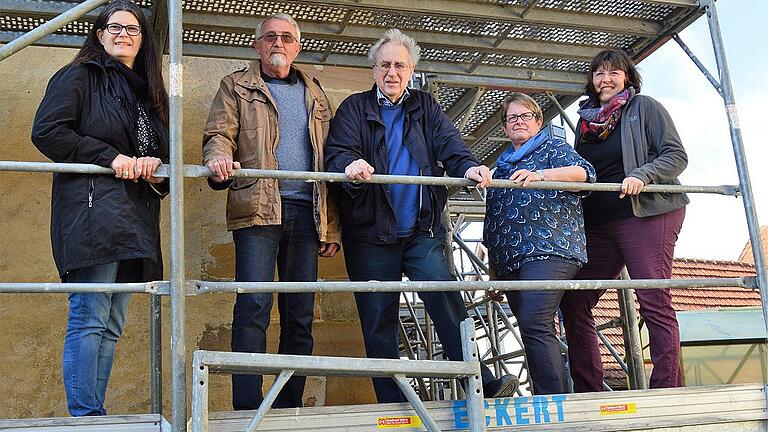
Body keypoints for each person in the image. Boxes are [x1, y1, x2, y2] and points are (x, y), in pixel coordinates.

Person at [324, 28, 517, 403]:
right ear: (374, 70)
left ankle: (481, 381)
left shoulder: (424, 106)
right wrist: (351, 163)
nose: (391, 72)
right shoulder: (353, 108)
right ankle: (392, 402)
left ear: (411, 69)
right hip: (369, 232)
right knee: (378, 320)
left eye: (399, 65)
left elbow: (450, 143)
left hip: (421, 228)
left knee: (447, 300)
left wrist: (470, 166)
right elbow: (336, 152)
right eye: (384, 65)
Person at [30, 0, 169, 416]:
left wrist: (155, 168)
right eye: (114, 27)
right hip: (93, 213)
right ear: (99, 33)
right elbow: (48, 131)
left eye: (133, 29)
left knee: (111, 325)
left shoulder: (148, 93)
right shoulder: (79, 76)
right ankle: (86, 415)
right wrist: (110, 157)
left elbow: (158, 154)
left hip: (136, 218)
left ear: (143, 40)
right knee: (89, 317)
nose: (123, 34)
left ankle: (95, 412)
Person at [202, 13, 341, 410]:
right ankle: (248, 406)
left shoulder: (314, 91)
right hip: (258, 210)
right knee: (253, 306)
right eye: (270, 38)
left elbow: (330, 159)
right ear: (257, 45)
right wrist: (217, 159)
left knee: (300, 313)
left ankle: (288, 405)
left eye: (286, 38)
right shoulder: (236, 85)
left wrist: (331, 227)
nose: (278, 43)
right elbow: (218, 135)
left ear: (297, 47)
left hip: (307, 211)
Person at [560, 49, 689, 391]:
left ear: (628, 77)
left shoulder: (644, 108)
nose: (605, 80)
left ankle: (666, 389)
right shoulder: (585, 122)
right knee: (574, 298)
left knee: (652, 297)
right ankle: (590, 389)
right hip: (599, 223)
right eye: (599, 74)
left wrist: (644, 175)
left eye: (613, 73)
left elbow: (676, 155)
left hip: (645, 214)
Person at [483, 93, 595, 395]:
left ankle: (553, 404)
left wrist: (540, 174)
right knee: (531, 327)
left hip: (549, 249)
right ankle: (545, 398)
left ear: (538, 121)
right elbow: (493, 220)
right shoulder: (501, 167)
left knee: (535, 321)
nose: (519, 122)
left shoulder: (552, 148)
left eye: (525, 116)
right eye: (512, 118)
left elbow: (584, 173)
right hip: (510, 260)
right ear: (505, 128)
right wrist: (493, 272)